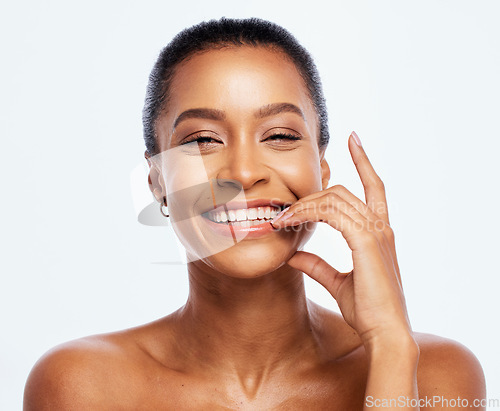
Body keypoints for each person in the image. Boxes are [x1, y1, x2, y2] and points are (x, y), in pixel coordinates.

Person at [24, 17, 486, 409]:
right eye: (202, 140)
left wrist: (390, 345)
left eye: (280, 136)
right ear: (157, 181)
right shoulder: (83, 385)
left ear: (322, 170)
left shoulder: (440, 377)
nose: (243, 173)